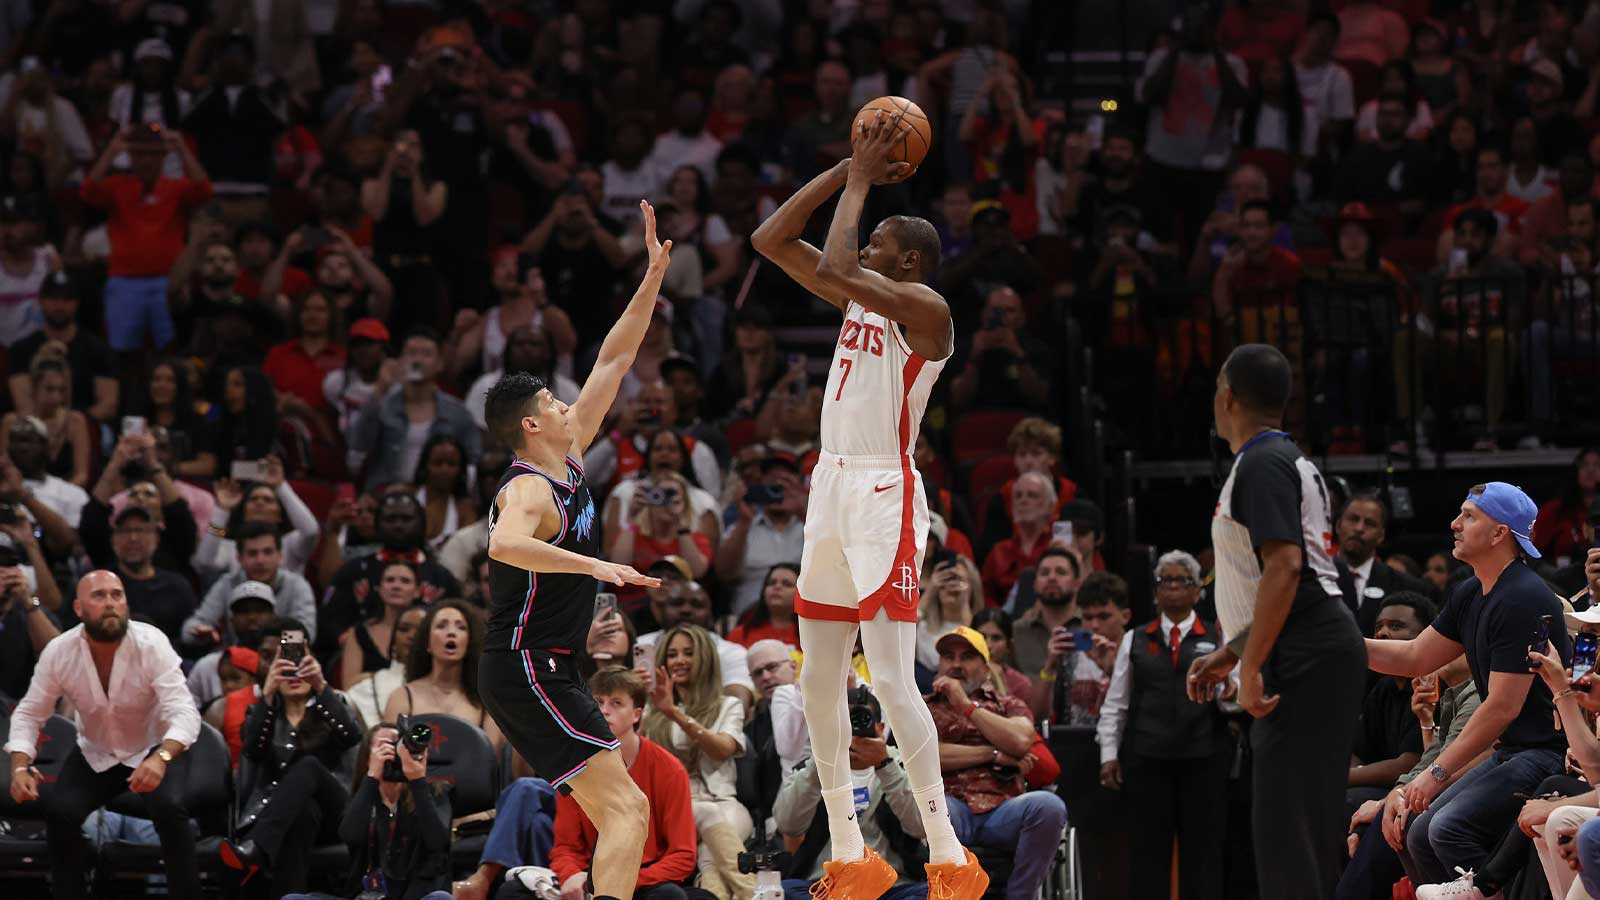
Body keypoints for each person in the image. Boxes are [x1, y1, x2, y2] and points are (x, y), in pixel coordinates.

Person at [751, 113, 989, 897]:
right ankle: (850, 853)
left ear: (910, 260)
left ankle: (950, 857)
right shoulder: (862, 293)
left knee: (889, 677)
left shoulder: (927, 313)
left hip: (886, 489)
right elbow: (771, 241)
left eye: (881, 237)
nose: (866, 245)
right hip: (831, 485)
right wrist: (843, 169)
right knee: (820, 678)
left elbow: (845, 262)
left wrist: (858, 182)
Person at [478, 200, 671, 900]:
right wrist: (596, 566)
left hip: (545, 666)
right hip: (525, 664)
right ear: (531, 424)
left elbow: (616, 355)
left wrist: (652, 274)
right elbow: (505, 544)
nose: (569, 405)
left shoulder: (570, 454)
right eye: (555, 404)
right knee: (626, 811)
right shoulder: (528, 489)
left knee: (627, 813)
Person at [1186, 343, 1367, 900]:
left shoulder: (1262, 462)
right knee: (1302, 833)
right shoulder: (1282, 458)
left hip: (1304, 648)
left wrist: (1256, 662)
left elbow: (1287, 567)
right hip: (1315, 641)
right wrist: (1234, 651)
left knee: (1287, 834)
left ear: (1228, 397)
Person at [1362, 483, 1570, 894]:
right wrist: (1340, 645)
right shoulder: (1471, 591)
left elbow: (1501, 708)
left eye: (1469, 516)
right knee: (1418, 831)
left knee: (1445, 828)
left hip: (1546, 753)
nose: (1455, 524)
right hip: (1512, 751)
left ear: (1499, 534)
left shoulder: (1523, 597)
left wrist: (1435, 774)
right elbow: (1414, 657)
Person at [5, 571, 201, 900]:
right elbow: (29, 712)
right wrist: (20, 767)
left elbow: (184, 711)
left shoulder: (151, 643)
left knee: (170, 810)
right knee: (61, 813)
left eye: (117, 595)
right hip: (97, 752)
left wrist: (162, 757)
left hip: (154, 747)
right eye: (99, 596)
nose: (110, 603)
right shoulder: (60, 651)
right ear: (79, 609)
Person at [477, 667, 695, 900]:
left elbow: (683, 855)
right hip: (588, 878)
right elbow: (565, 846)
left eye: (616, 703)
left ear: (637, 714)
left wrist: (620, 883)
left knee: (669, 896)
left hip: (643, 880)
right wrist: (573, 875)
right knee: (512, 893)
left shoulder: (669, 769)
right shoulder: (576, 765)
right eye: (598, 702)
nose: (604, 711)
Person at [1097, 550, 1231, 900]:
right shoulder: (1135, 638)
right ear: (1155, 592)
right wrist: (1108, 755)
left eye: (1181, 580)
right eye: (1164, 580)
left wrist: (1227, 687)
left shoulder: (1218, 638)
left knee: (1203, 853)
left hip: (1203, 758)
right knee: (1147, 853)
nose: (1172, 587)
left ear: (1197, 591)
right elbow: (1116, 704)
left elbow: (1234, 699)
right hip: (1146, 759)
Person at [929, 626, 1068, 900]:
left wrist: (965, 704)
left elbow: (1019, 741)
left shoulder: (1008, 704)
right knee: (931, 808)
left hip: (1003, 810)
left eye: (967, 657)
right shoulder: (922, 706)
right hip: (949, 805)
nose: (956, 664)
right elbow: (923, 758)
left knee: (1048, 806)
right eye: (948, 656)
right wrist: (993, 753)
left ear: (985, 667)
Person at [218, 633, 363, 894]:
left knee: (308, 766)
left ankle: (256, 848)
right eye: (286, 669)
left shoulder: (334, 706)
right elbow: (253, 749)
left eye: (302, 666)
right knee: (303, 814)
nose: (295, 674)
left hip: (337, 814)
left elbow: (353, 736)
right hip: (289, 818)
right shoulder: (261, 713)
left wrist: (321, 685)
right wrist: (268, 694)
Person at [774, 685, 930, 900]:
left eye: (858, 721)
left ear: (880, 727)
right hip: (825, 886)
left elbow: (921, 826)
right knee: (783, 892)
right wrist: (821, 764)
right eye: (842, 723)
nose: (849, 732)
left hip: (892, 886)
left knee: (930, 894)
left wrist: (885, 766)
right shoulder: (812, 766)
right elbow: (788, 824)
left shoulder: (902, 764)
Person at [279, 723, 453, 900]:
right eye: (384, 745)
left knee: (441, 898)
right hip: (364, 896)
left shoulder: (431, 791)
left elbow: (437, 843)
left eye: (397, 744)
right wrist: (372, 778)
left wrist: (417, 781)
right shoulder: (364, 797)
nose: (393, 751)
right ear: (368, 758)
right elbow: (350, 836)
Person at [641, 624, 753, 900]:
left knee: (711, 858)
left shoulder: (728, 705)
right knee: (712, 824)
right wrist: (663, 708)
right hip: (671, 808)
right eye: (672, 654)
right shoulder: (649, 711)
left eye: (688, 653)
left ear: (705, 658)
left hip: (722, 800)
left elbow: (723, 749)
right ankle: (753, 892)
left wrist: (676, 714)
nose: (679, 660)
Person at [351, 327, 481, 490]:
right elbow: (356, 454)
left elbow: (473, 464)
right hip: (387, 496)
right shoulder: (381, 406)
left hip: (437, 496)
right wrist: (380, 389)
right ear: (400, 361)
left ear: (439, 363)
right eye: (411, 353)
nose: (417, 360)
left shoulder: (458, 413)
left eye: (426, 354)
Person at [1347, 595, 1432, 815]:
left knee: (1346, 801)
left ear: (1425, 637)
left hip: (1418, 788)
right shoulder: (1384, 687)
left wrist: (1340, 777)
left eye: (1396, 626)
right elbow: (1358, 750)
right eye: (1378, 627)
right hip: (1383, 787)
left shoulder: (1431, 685)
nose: (1382, 633)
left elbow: (1409, 764)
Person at [382, 600, 504, 749]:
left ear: (469, 642)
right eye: (441, 626)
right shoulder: (402, 696)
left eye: (461, 627)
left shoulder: (485, 702)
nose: (451, 632)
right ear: (427, 642)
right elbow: (388, 751)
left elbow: (490, 761)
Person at [1335, 490, 1438, 635]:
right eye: (1353, 519)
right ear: (1338, 525)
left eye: (1369, 524)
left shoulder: (1409, 587)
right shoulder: (1311, 578)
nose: (1359, 528)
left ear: (1381, 535)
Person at [339, 559, 424, 689]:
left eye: (405, 581)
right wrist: (388, 676)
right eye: (390, 580)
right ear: (379, 588)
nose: (396, 586)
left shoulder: (429, 631)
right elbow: (349, 685)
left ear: (417, 590)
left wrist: (370, 676)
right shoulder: (358, 633)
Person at [727, 562, 800, 647]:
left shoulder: (811, 635)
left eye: (787, 584)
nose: (777, 587)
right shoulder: (739, 635)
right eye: (772, 583)